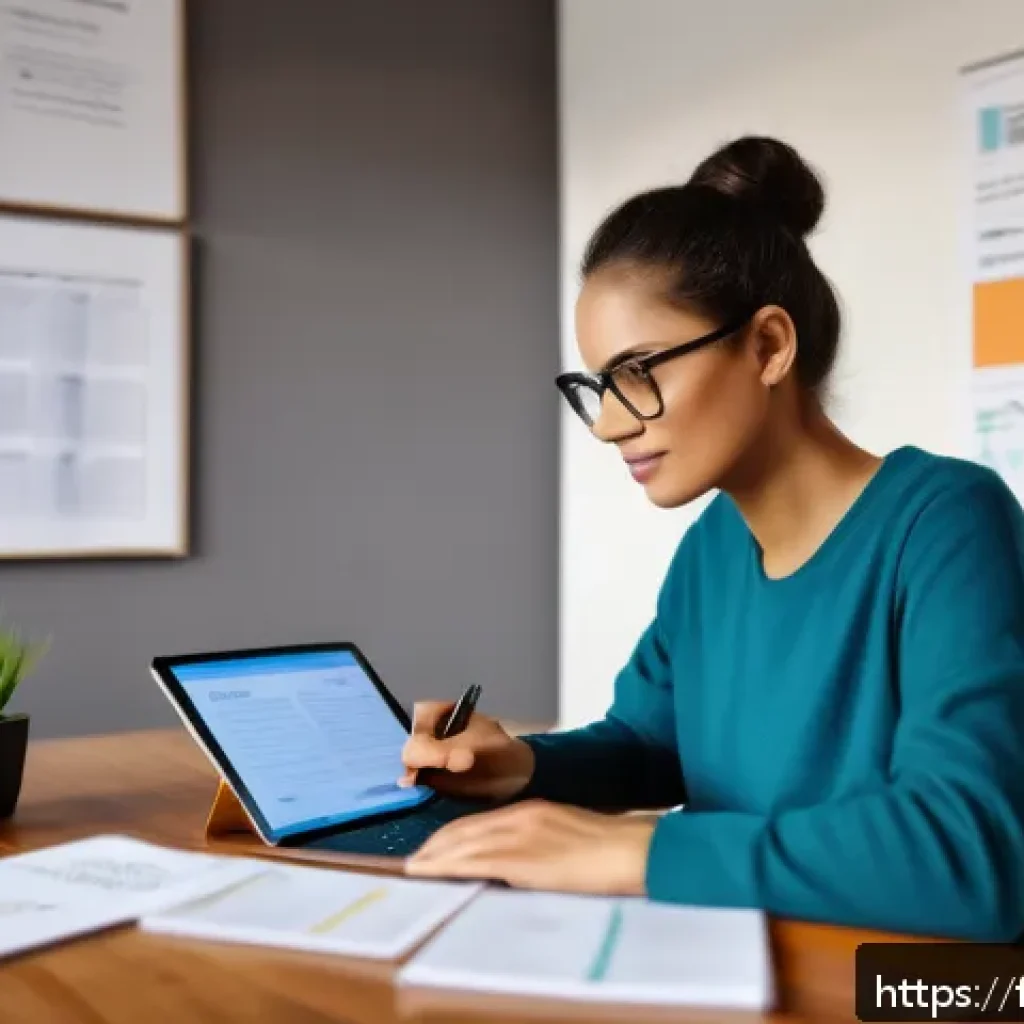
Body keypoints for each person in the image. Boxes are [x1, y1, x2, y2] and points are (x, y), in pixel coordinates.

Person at [399, 136, 1024, 941]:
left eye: (640, 371)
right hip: (737, 966)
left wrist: (639, 850)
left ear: (768, 346)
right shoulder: (711, 550)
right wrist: (525, 766)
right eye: (596, 387)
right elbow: (650, 743)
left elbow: (970, 853)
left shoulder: (946, 522)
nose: (611, 424)